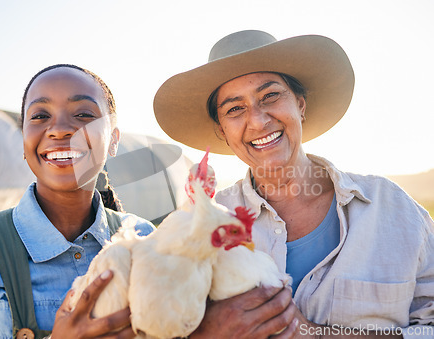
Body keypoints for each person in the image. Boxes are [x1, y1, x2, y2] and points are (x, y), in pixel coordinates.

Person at [154, 30, 434, 338]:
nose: (259, 121)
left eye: (270, 96)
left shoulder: (393, 209)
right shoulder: (196, 226)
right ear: (223, 130)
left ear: (300, 105)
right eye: (235, 109)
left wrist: (314, 334)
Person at [0, 64, 155, 338]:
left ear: (113, 139)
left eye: (84, 114)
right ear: (23, 137)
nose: (60, 130)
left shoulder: (146, 240)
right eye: (40, 116)